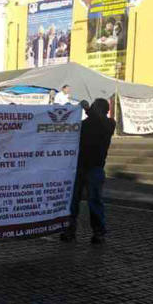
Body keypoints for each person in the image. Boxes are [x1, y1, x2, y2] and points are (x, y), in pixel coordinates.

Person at [61, 98, 116, 245]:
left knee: (94, 201)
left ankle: (98, 232)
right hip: (80, 167)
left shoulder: (109, 123)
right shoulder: (88, 124)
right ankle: (70, 230)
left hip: (94, 168)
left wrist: (87, 109)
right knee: (73, 201)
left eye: (94, 107)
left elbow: (98, 119)